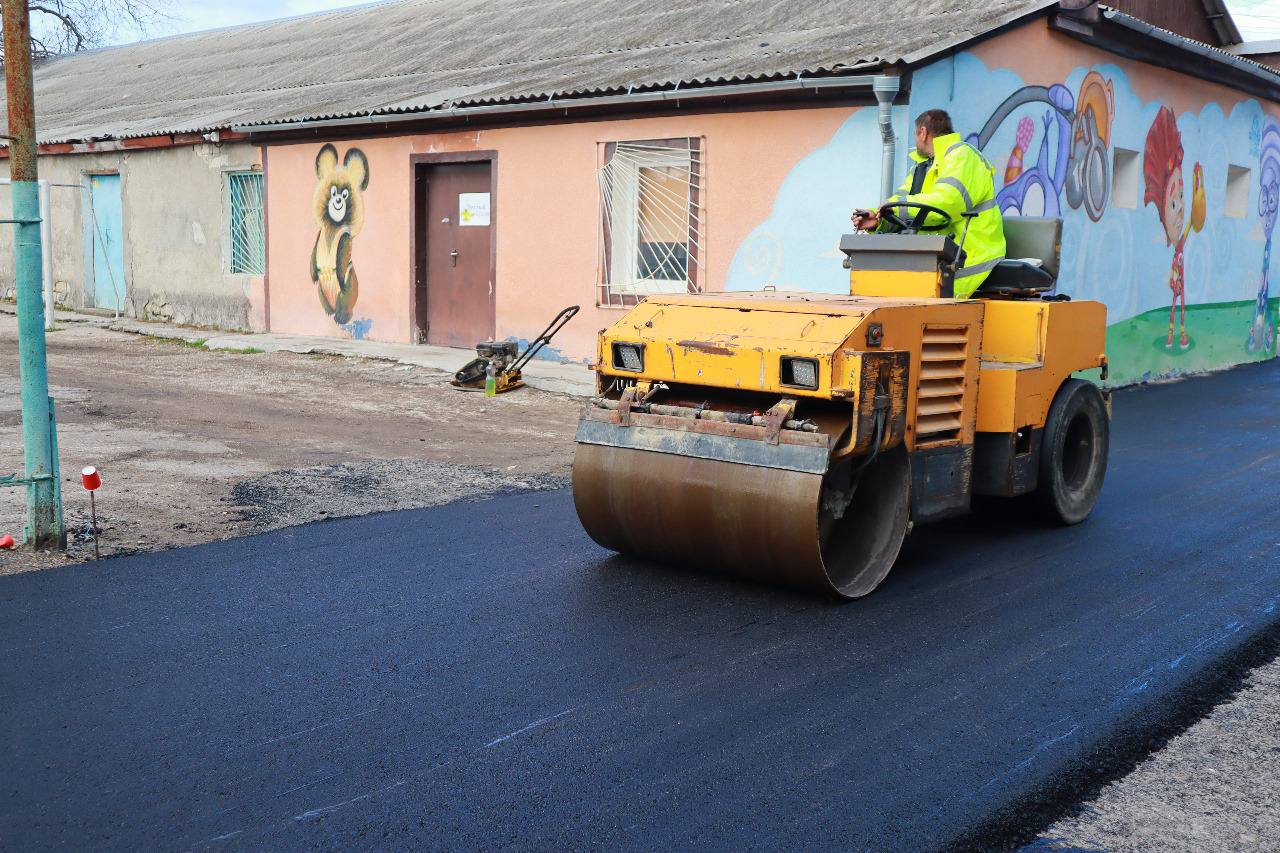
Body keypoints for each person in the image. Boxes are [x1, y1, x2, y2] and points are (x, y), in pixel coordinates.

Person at [852, 109, 1006, 298]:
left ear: (923, 132)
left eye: (915, 135)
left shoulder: (963, 156)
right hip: (935, 257)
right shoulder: (922, 167)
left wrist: (898, 209)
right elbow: (900, 203)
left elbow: (947, 203)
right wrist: (878, 218)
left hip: (968, 257)